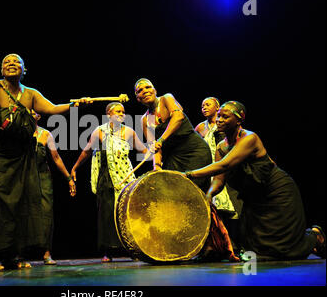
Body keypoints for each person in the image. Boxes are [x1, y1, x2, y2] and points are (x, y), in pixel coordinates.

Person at [0, 53, 90, 271]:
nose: (11, 63)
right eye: (6, 62)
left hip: (17, 153)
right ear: (1, 70)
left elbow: (53, 109)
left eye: (16, 61)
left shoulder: (31, 94)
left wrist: (75, 105)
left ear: (24, 69)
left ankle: (10, 256)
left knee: (18, 202)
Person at [185, 101, 326, 260]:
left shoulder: (249, 138)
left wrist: (189, 174)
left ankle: (315, 236)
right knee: (259, 246)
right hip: (255, 197)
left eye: (225, 116)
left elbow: (225, 164)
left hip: (276, 190)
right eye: (219, 116)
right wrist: (209, 195)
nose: (219, 120)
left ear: (238, 120)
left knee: (283, 244)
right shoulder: (220, 147)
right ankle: (311, 243)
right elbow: (219, 180)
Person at [71, 102, 149, 262]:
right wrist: (75, 168)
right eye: (117, 111)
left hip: (125, 178)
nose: (121, 114)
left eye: (123, 111)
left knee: (127, 213)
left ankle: (131, 248)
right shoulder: (99, 132)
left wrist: (155, 149)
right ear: (108, 115)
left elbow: (144, 151)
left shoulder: (129, 132)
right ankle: (108, 251)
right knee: (107, 215)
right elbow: (86, 151)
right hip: (105, 179)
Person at [134, 78, 212, 192]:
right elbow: (154, 147)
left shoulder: (166, 98)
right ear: (138, 98)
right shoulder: (145, 120)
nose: (145, 91)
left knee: (195, 192)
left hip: (194, 152)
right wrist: (157, 167)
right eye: (140, 90)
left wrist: (161, 140)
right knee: (173, 193)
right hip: (173, 159)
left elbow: (178, 117)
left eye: (148, 87)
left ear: (155, 91)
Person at [31, 110, 76, 265]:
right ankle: (19, 254)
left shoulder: (45, 134)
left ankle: (46, 252)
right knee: (23, 214)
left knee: (46, 214)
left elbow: (56, 158)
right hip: (23, 178)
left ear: (39, 116)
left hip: (43, 178)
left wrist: (69, 178)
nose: (31, 113)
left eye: (34, 112)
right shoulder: (17, 132)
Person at [195, 97, 241, 246]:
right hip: (211, 169)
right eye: (202, 106)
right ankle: (220, 244)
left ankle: (235, 242)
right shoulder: (200, 128)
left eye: (208, 105)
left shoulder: (225, 125)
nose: (204, 108)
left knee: (231, 207)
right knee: (215, 208)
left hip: (226, 165)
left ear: (217, 108)